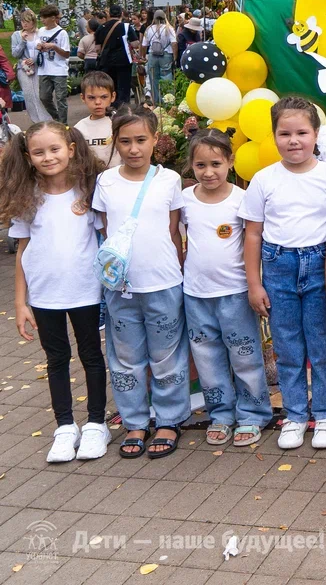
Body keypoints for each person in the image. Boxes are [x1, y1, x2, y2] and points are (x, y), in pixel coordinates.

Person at [241, 97, 326, 451]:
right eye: (284, 133)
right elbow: (253, 234)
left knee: (323, 345)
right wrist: (254, 283)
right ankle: (295, 414)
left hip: (321, 265)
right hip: (278, 267)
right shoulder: (263, 180)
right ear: (273, 136)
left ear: (316, 134)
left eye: (302, 132)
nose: (293, 141)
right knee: (287, 347)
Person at [1, 122, 109, 462]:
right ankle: (64, 427)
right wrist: (20, 303)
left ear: (71, 150)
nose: (48, 157)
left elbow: (106, 238)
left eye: (54, 149)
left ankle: (96, 424)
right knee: (56, 359)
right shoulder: (27, 197)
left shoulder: (88, 192)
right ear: (28, 157)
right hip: (44, 295)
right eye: (38, 152)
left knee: (91, 356)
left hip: (86, 291)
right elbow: (22, 251)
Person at [92, 105, 189, 458]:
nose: (134, 149)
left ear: (155, 139)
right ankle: (134, 421)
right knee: (125, 358)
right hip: (120, 287)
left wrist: (179, 271)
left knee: (167, 356)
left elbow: (174, 230)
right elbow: (106, 232)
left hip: (163, 282)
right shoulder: (105, 182)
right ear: (115, 142)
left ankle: (169, 420)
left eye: (141, 140)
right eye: (125, 141)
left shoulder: (169, 179)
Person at [181, 128, 272, 448]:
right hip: (196, 293)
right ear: (191, 166)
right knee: (207, 358)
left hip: (234, 292)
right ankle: (220, 413)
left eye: (216, 164)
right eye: (200, 165)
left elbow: (253, 242)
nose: (208, 172)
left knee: (245, 355)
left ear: (230, 162)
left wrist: (254, 284)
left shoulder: (241, 199)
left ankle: (253, 413)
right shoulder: (185, 200)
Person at [95, 4, 140, 107]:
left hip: (106, 62)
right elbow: (135, 44)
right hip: (123, 61)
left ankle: (110, 107)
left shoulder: (101, 27)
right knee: (123, 87)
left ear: (109, 14)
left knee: (109, 87)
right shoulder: (126, 27)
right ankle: (123, 109)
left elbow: (97, 49)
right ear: (121, 14)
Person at [12, 10, 52, 122]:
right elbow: (15, 54)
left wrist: (34, 59)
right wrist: (23, 41)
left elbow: (46, 51)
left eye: (27, 21)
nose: (24, 24)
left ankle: (47, 120)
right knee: (29, 95)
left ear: (33, 22)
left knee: (41, 94)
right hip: (24, 69)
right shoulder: (16, 35)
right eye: (22, 21)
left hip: (40, 67)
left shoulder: (41, 34)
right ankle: (36, 121)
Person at [73, 71, 119, 168]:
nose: (98, 102)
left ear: (113, 96)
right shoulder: (78, 129)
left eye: (104, 97)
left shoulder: (120, 123)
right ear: (83, 98)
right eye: (91, 98)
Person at [35, 4, 70, 123]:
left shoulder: (62, 33)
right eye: (41, 17)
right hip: (44, 69)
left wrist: (54, 46)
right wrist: (39, 46)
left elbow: (66, 54)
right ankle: (56, 117)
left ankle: (63, 123)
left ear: (53, 18)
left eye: (45, 17)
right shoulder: (41, 31)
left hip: (59, 69)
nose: (42, 20)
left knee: (61, 98)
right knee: (44, 97)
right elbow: (37, 44)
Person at [142, 11, 178, 103]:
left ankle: (157, 102)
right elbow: (174, 43)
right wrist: (175, 57)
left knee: (153, 78)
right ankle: (168, 101)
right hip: (166, 55)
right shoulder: (169, 28)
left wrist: (143, 57)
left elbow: (144, 45)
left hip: (152, 55)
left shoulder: (149, 29)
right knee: (166, 77)